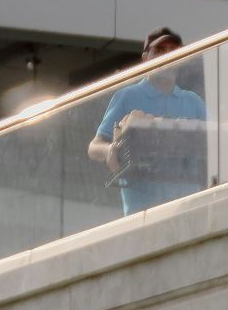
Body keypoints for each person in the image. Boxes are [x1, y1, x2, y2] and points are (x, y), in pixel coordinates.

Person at [86, 27, 210, 215]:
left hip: (189, 209)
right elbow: (94, 147)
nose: (167, 56)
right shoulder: (128, 96)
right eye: (159, 50)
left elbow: (219, 143)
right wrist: (110, 150)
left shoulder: (193, 102)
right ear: (145, 58)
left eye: (173, 51)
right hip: (143, 213)